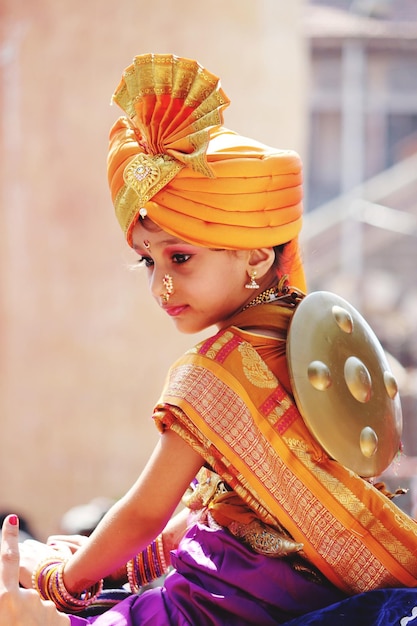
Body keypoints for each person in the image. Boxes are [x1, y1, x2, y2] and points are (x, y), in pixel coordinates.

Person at [2, 53, 417, 625]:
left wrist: (59, 581)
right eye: (146, 262)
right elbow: (221, 510)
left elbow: (148, 511)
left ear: (254, 256)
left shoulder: (215, 370)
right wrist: (116, 566)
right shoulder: (306, 338)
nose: (162, 284)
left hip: (226, 599)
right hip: (302, 594)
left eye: (181, 256)